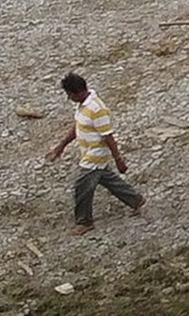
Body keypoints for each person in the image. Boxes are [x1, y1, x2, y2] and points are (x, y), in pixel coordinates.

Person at [44, 70, 144, 227]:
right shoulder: (83, 106)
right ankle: (135, 200)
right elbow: (77, 126)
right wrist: (61, 146)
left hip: (96, 155)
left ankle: (84, 222)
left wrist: (118, 159)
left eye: (69, 94)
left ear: (78, 92)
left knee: (82, 186)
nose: (68, 98)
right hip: (89, 152)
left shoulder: (97, 109)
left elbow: (108, 136)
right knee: (107, 179)